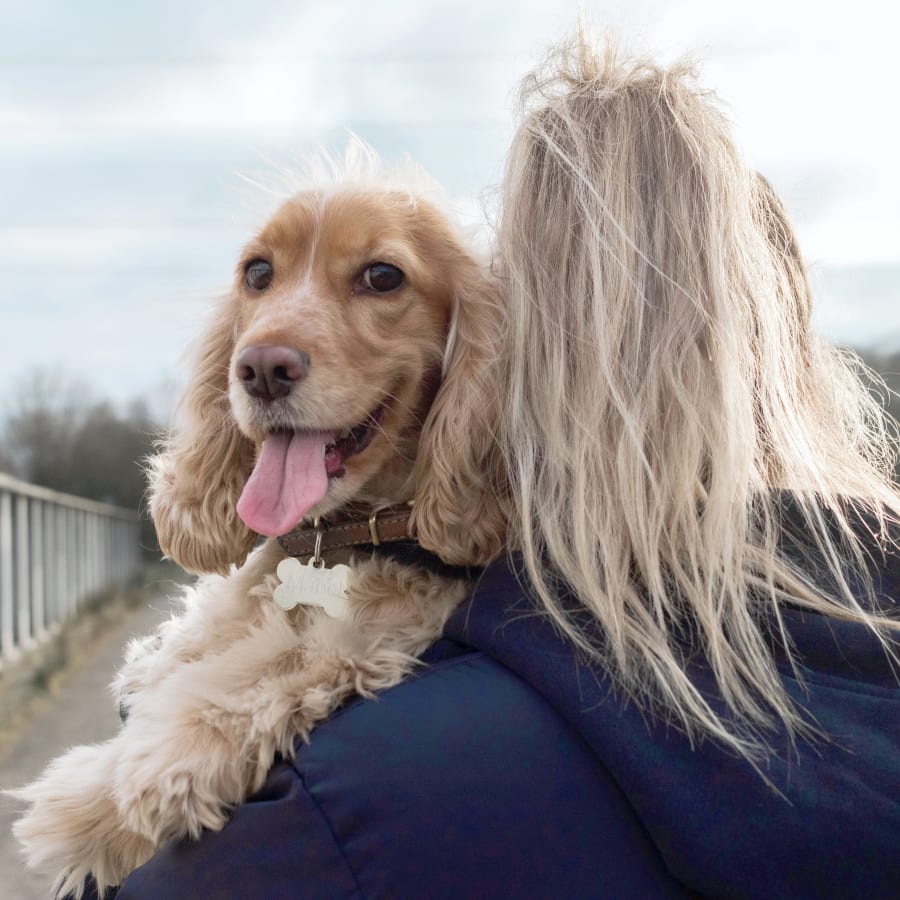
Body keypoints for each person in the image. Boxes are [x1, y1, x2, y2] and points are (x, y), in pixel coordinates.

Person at [93, 35, 899, 899]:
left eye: (380, 280)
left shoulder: (345, 796)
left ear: (499, 357)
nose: (271, 349)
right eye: (261, 275)